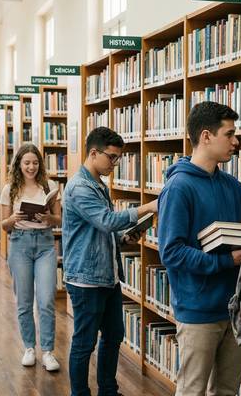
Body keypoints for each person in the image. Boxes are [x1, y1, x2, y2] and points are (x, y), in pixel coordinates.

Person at [157, 101, 241, 396]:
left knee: (227, 390)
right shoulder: (179, 188)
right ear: (206, 136)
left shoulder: (230, 184)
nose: (236, 141)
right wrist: (227, 261)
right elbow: (171, 252)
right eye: (229, 134)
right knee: (192, 390)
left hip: (233, 308)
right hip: (198, 312)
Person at [63, 127, 157, 396]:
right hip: (85, 279)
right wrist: (147, 207)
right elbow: (105, 221)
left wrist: (124, 238)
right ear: (94, 153)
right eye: (112, 158)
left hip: (107, 275)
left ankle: (108, 390)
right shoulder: (80, 187)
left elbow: (101, 231)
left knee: (114, 335)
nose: (115, 164)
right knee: (84, 342)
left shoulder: (98, 185)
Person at [0, 144, 62, 371]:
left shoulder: (50, 186)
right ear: (19, 164)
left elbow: (60, 220)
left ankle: (48, 351)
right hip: (20, 244)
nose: (31, 167)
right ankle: (29, 348)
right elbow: (3, 226)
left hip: (45, 243)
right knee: (24, 301)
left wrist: (48, 217)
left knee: (46, 300)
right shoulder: (10, 189)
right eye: (26, 162)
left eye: (35, 162)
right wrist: (14, 218)